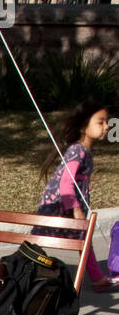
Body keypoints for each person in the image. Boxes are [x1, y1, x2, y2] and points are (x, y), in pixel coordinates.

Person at [33, 100, 119, 293]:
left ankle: (96, 278)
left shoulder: (85, 150)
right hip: (59, 206)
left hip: (65, 205)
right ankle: (25, 270)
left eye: (107, 121)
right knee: (44, 241)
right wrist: (76, 209)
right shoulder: (78, 150)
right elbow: (65, 182)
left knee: (82, 239)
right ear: (83, 126)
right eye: (100, 122)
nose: (106, 126)